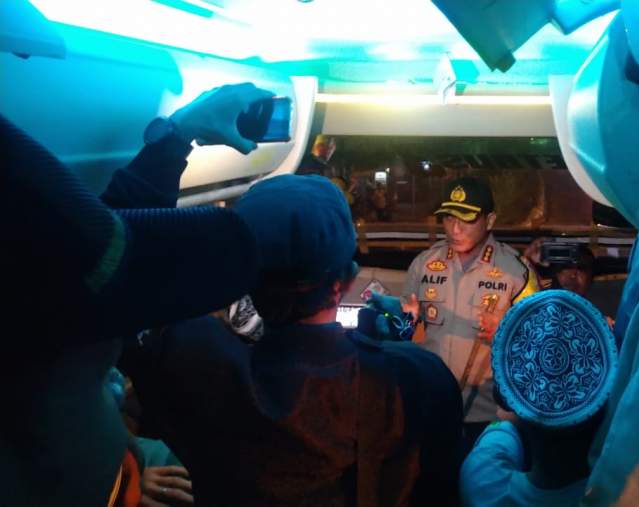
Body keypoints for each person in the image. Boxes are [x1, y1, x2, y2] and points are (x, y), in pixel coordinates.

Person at [0, 82, 270, 506]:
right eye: (113, 304)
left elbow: (98, 243)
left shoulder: (50, 351)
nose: (124, 321)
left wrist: (179, 133)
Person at [120, 175, 463, 506]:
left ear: (241, 281)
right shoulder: (418, 376)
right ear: (346, 280)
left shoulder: (194, 363)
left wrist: (171, 144)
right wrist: (383, 348)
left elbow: (107, 254)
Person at [400, 177, 540, 452]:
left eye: (466, 219)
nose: (455, 229)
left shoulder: (517, 273)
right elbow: (406, 331)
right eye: (449, 218)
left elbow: (538, 342)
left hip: (488, 419)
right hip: (432, 409)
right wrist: (403, 322)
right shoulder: (424, 265)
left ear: (490, 220)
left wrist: (507, 332)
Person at [460, 290, 618, 506]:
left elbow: (496, 438)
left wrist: (513, 399)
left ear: (503, 399)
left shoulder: (481, 483)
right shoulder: (626, 496)